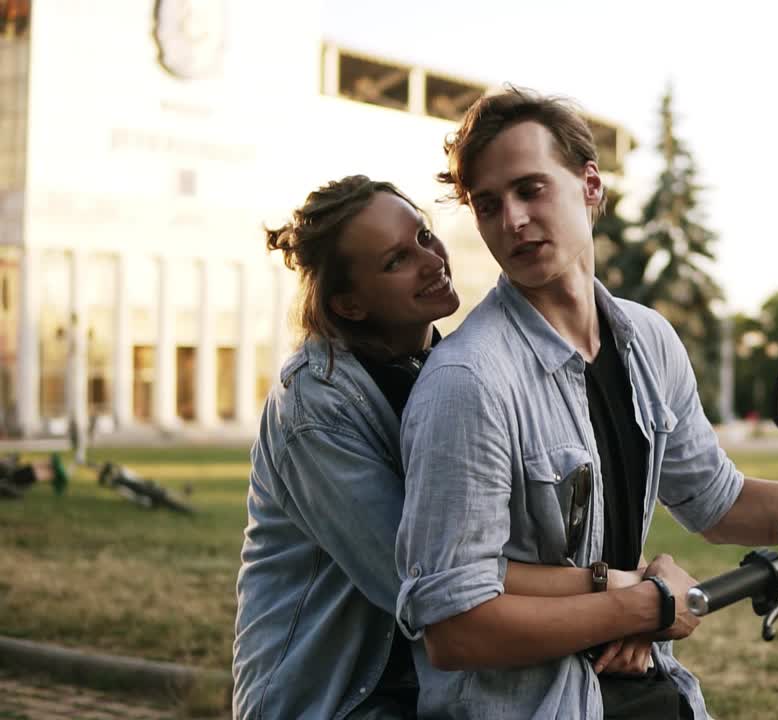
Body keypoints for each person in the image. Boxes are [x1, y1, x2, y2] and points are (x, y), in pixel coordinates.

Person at [394, 86, 778, 719]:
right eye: (489, 205)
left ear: (590, 186)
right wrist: (642, 605)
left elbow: (719, 502)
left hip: (650, 686)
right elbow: (453, 627)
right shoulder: (468, 380)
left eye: (530, 189)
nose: (512, 220)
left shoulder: (646, 340)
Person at [231, 176, 651, 720]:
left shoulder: (453, 371)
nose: (432, 261)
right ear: (350, 305)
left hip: (437, 687)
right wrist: (617, 593)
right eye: (396, 261)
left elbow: (525, 532)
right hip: (335, 699)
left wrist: (634, 596)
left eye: (424, 236)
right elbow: (429, 581)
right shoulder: (315, 409)